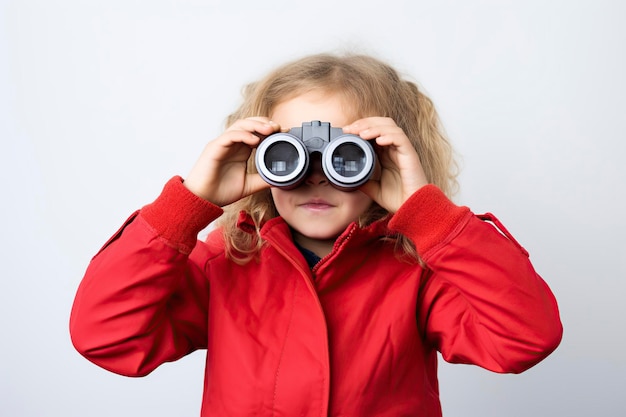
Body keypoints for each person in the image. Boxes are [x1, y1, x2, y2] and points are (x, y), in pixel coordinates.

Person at [70, 52, 562, 416]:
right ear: (258, 156)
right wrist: (185, 205)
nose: (315, 176)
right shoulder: (225, 263)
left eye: (346, 156)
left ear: (388, 160)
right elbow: (107, 336)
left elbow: (524, 338)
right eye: (289, 155)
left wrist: (429, 216)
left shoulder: (418, 272)